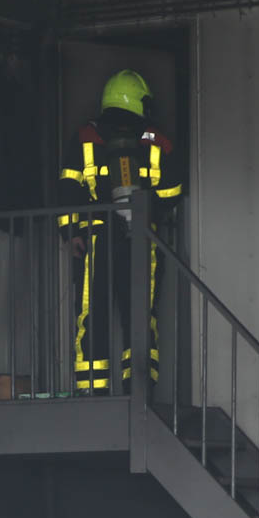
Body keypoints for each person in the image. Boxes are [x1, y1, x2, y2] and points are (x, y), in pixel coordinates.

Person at [57, 70, 183, 393]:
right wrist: (148, 206)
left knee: (91, 314)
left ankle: (91, 390)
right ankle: (139, 391)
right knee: (140, 315)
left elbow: (67, 188)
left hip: (93, 236)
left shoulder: (85, 136)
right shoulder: (157, 141)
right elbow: (172, 192)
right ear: (138, 102)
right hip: (141, 237)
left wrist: (71, 232)